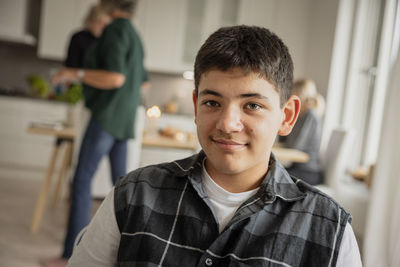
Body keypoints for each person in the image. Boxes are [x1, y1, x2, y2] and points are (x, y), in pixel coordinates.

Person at [67, 25, 362, 267]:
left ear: (286, 117)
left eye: (252, 105)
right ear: (196, 107)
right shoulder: (131, 195)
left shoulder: (330, 229)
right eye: (212, 102)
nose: (227, 123)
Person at [42, 0, 148, 266]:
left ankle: (69, 256)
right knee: (124, 189)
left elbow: (115, 78)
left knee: (81, 181)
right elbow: (141, 83)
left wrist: (74, 72)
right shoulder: (134, 34)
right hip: (124, 120)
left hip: (105, 117)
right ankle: (127, 256)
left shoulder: (115, 30)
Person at [279, 79, 325, 185]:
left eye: (292, 92)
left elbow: (294, 145)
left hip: (309, 172)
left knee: (269, 176)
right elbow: (284, 139)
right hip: (297, 167)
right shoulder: (301, 115)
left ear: (300, 94)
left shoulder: (310, 115)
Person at [64, 4, 111, 69]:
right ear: (91, 20)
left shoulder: (109, 40)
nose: (102, 27)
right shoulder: (78, 38)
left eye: (105, 24)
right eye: (99, 22)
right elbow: (70, 66)